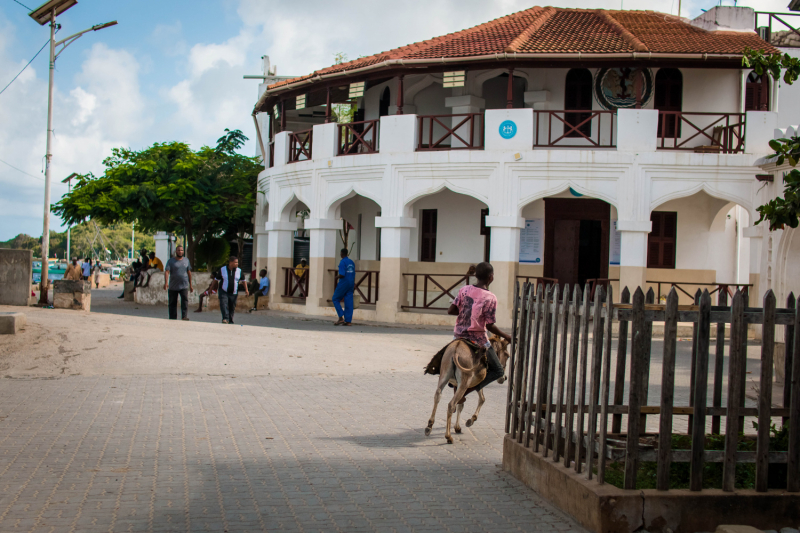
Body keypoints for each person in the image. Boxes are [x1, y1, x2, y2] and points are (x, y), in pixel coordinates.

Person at [446, 262, 512, 400]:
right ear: (491, 277)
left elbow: (451, 310)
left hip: (458, 336)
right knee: (498, 371)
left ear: (476, 275)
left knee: (448, 360)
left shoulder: (463, 290)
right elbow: (489, 326)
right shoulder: (490, 297)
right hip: (478, 339)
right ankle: (466, 391)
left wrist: (466, 312)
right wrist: (506, 336)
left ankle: (453, 383)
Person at [216, 256, 249, 324]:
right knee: (223, 304)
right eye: (235, 262)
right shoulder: (222, 269)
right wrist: (211, 289)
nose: (237, 264)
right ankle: (225, 318)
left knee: (232, 306)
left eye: (237, 262)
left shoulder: (239, 271)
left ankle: (230, 320)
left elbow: (243, 281)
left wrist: (246, 290)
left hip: (234, 292)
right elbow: (216, 280)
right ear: (230, 263)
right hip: (223, 291)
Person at [164, 245, 193, 321]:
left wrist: (191, 285)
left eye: (181, 250)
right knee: (172, 303)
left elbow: (189, 272)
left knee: (185, 301)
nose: (180, 251)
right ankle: (173, 318)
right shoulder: (170, 261)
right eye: (178, 250)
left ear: (183, 251)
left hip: (184, 285)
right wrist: (166, 282)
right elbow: (167, 272)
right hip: (173, 286)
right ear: (176, 252)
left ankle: (184, 316)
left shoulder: (186, 260)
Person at [332, 248, 356, 326]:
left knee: (335, 299)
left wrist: (336, 277)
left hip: (343, 283)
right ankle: (348, 321)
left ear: (342, 253)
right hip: (351, 283)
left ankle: (340, 317)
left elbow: (342, 274)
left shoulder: (342, 262)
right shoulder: (351, 262)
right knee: (349, 301)